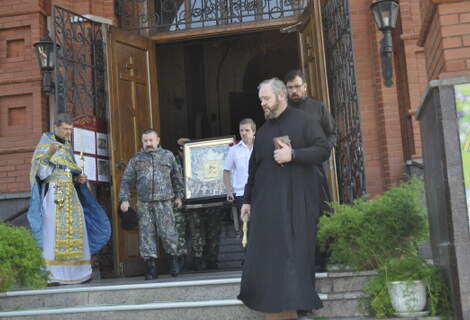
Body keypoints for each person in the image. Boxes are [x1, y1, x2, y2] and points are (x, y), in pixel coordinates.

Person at [238, 78, 330, 319]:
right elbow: (253, 169)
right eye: (261, 100)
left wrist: (294, 154)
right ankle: (273, 309)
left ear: (281, 96)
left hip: (298, 205)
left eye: (266, 99)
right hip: (267, 209)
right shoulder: (264, 131)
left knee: (294, 259)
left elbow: (323, 149)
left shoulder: (305, 121)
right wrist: (247, 201)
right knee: (269, 262)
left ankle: (295, 308)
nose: (263, 104)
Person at [27, 113, 111, 285]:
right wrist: (49, 153)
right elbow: (41, 174)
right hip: (54, 196)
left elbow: (71, 170)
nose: (68, 133)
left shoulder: (68, 147)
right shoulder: (45, 144)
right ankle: (52, 276)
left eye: (70, 130)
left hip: (71, 195)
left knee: (77, 232)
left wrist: (79, 179)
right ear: (55, 126)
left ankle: (79, 274)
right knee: (53, 234)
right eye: (65, 129)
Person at [119, 129, 184, 280]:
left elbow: (177, 178)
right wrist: (124, 199)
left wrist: (179, 197)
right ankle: (151, 267)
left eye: (151, 140)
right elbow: (126, 181)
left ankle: (173, 261)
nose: (148, 143)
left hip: (165, 201)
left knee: (168, 233)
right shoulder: (136, 159)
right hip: (144, 203)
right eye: (145, 141)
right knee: (146, 235)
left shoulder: (168, 156)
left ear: (158, 140)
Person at [285, 69, 336, 216]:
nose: (294, 90)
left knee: (321, 208)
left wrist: (322, 150)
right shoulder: (282, 111)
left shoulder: (318, 107)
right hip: (291, 167)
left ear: (305, 86)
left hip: (316, 166)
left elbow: (332, 133)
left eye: (297, 86)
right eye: (290, 87)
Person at [173, 137, 205, 271]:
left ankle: (198, 259)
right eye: (182, 151)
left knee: (196, 230)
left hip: (194, 200)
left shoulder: (197, 159)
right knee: (179, 231)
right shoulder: (172, 161)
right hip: (178, 201)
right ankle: (181, 260)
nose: (183, 153)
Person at [223, 118, 256, 213]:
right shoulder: (234, 150)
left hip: (260, 191)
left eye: (247, 130)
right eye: (241, 130)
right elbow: (226, 171)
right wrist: (229, 191)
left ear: (253, 131)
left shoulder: (260, 146)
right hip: (241, 194)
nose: (244, 133)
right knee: (246, 225)